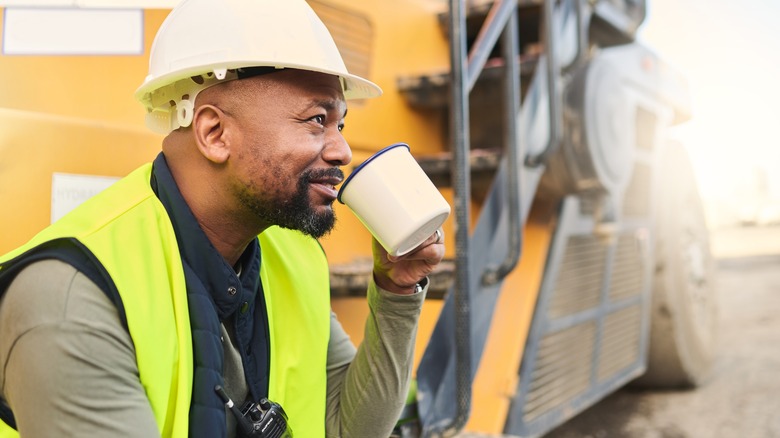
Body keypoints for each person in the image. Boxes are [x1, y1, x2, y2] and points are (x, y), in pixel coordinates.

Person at [0, 0, 444, 437]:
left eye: (340, 125)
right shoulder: (70, 297)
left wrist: (396, 288)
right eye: (316, 119)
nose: (342, 151)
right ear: (214, 133)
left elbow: (347, 428)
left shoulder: (291, 255)